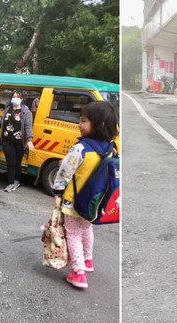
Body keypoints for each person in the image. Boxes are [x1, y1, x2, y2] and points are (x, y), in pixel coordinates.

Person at [51, 101, 119, 289]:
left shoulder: (80, 148)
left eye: (84, 120)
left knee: (72, 233)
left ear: (100, 124)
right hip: (94, 202)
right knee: (86, 229)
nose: (79, 124)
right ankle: (88, 261)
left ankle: (78, 273)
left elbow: (66, 171)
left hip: (74, 201)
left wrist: (57, 189)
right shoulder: (111, 148)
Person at [0, 90, 35, 192]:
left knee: (17, 163)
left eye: (17, 97)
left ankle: (17, 181)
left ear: (21, 99)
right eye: (13, 96)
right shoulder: (8, 109)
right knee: (11, 162)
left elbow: (28, 127)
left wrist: (29, 140)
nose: (15, 98)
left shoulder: (26, 112)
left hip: (20, 142)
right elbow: (2, 120)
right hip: (7, 141)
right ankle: (10, 183)